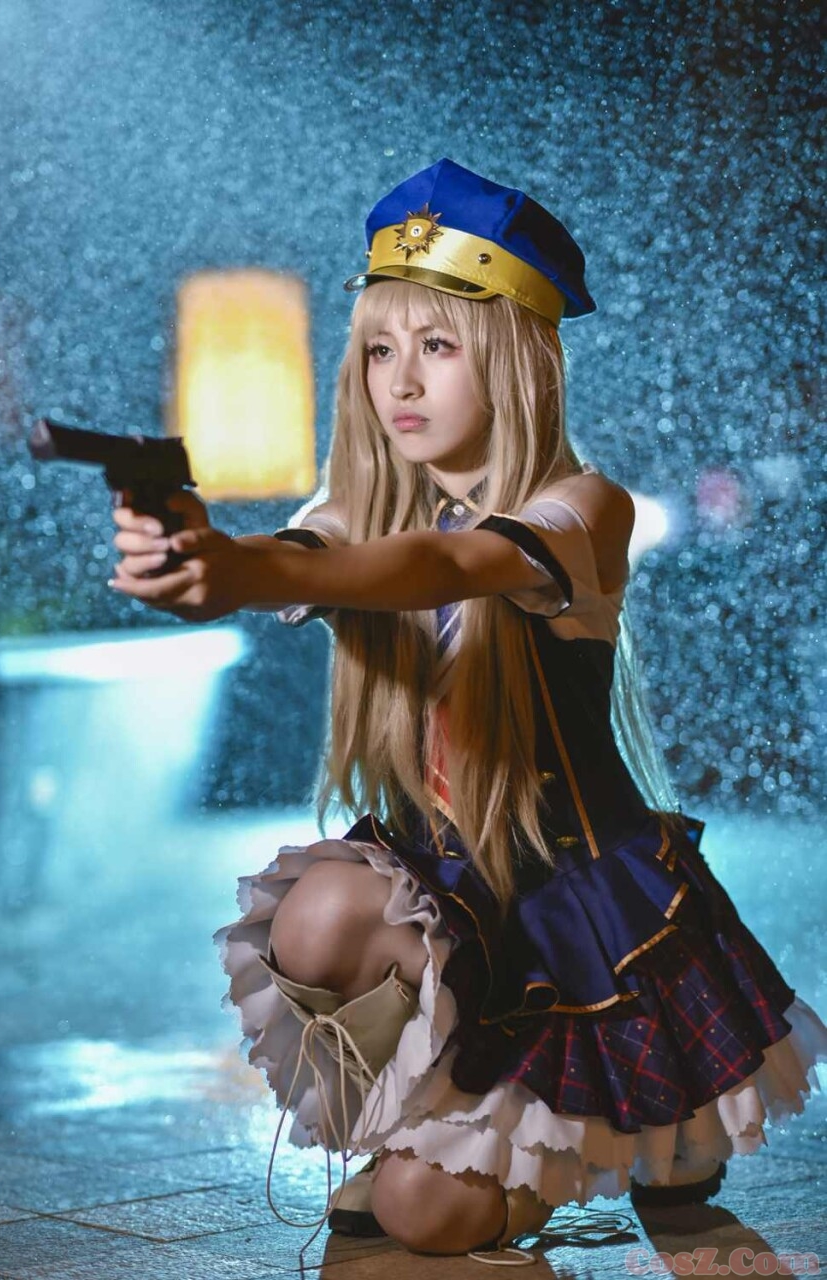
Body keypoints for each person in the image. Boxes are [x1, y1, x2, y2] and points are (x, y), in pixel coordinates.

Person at [110, 158, 827, 1264]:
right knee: (314, 919)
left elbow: (447, 563)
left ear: (514, 360)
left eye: (438, 346)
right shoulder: (361, 503)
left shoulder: (584, 506)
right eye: (379, 349)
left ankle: (639, 1141)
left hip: (579, 922)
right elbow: (306, 550)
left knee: (426, 1218)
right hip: (448, 894)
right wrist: (212, 564)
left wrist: (250, 569)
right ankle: (436, 1123)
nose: (401, 381)